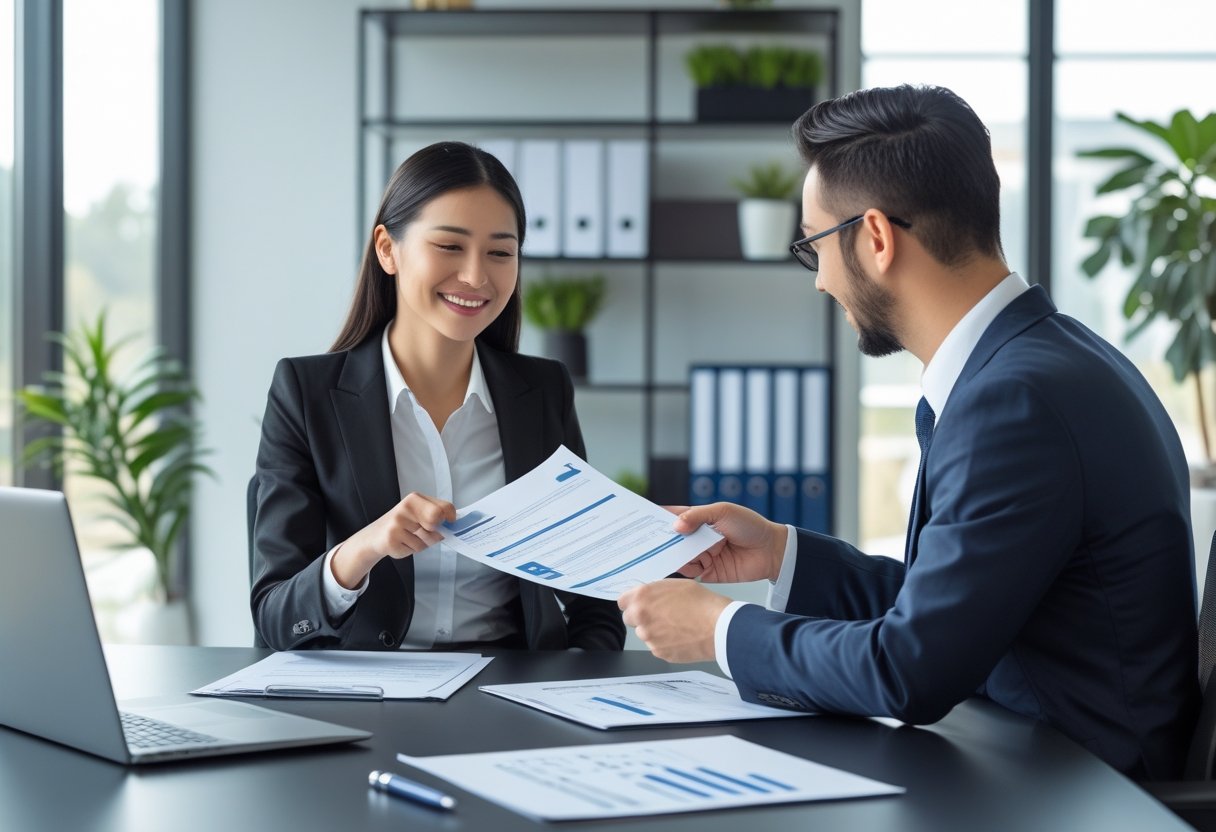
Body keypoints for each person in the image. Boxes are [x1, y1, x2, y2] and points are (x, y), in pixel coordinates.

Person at [617, 85, 1199, 780]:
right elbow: (954, 613)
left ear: (875, 238)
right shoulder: (1047, 360)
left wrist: (717, 629)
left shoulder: (1014, 403)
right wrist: (779, 552)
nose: (820, 283)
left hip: (1077, 790)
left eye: (813, 248)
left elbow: (909, 671)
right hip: (1042, 760)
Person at [251, 141, 625, 653]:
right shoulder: (306, 393)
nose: (476, 276)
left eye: (500, 252)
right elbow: (275, 617)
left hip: (511, 693)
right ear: (388, 249)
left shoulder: (543, 391)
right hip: (368, 697)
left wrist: (575, 673)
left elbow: (592, 597)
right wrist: (365, 548)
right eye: (450, 246)